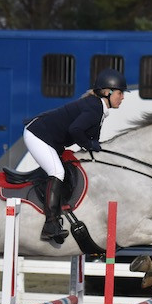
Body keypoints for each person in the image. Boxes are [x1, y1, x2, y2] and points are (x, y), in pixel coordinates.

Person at [23, 68, 127, 241]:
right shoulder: (95, 108)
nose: (122, 97)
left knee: (67, 169)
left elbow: (90, 139)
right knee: (57, 173)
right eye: (120, 93)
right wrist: (90, 144)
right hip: (38, 135)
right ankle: (50, 225)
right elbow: (76, 130)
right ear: (107, 92)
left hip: (51, 139)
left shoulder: (98, 107)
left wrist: (94, 146)